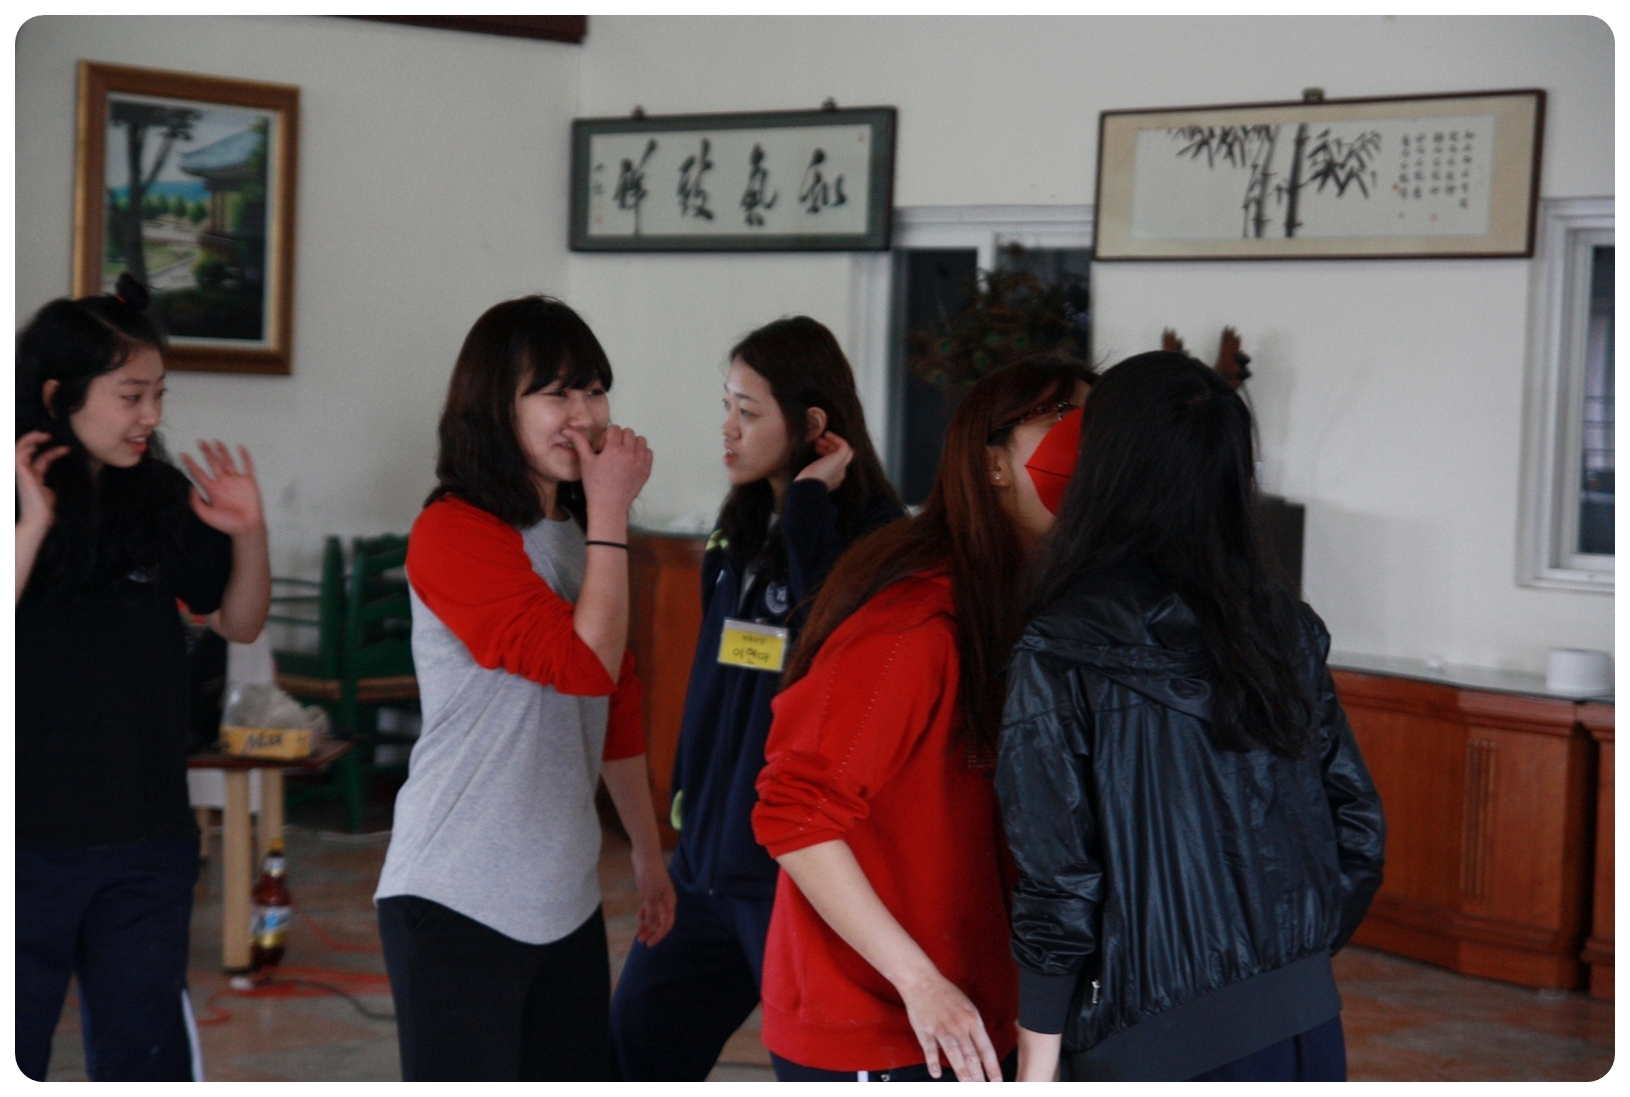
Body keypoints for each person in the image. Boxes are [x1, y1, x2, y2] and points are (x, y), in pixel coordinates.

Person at [996, 351, 1386, 1082]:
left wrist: (1036, 1058)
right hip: (1307, 1026)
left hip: (1150, 1041)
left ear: (1104, 464)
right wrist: (1281, 971)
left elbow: (1060, 875)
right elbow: (1358, 829)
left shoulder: (1062, 644)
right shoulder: (1281, 623)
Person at [751, 355, 1095, 1082]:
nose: (1086, 445)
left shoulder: (1026, 603)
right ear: (992, 463)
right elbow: (795, 812)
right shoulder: (916, 620)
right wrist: (922, 983)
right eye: (1064, 419)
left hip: (977, 1008)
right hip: (885, 1022)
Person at [373, 295, 674, 1081]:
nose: (584, 413)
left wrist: (648, 854)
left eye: (595, 390)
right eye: (556, 391)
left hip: (564, 895)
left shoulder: (579, 537)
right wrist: (611, 511)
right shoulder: (453, 530)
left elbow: (614, 698)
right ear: (494, 406)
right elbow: (582, 663)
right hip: (456, 893)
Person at [609, 316, 904, 1080]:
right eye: (726, 406)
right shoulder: (737, 531)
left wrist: (807, 505)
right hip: (705, 863)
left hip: (792, 876)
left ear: (812, 422)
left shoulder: (874, 534)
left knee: (813, 1070)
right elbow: (718, 687)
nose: (728, 428)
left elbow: (833, 646)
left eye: (749, 410)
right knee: (633, 1045)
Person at [14, 273, 271, 1081]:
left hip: (147, 836)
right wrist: (33, 525)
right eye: (131, 396)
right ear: (57, 395)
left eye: (159, 394)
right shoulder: (13, 496)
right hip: (24, 841)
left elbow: (239, 621)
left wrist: (250, 533)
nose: (151, 417)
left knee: (145, 1060)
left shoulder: (159, 494)